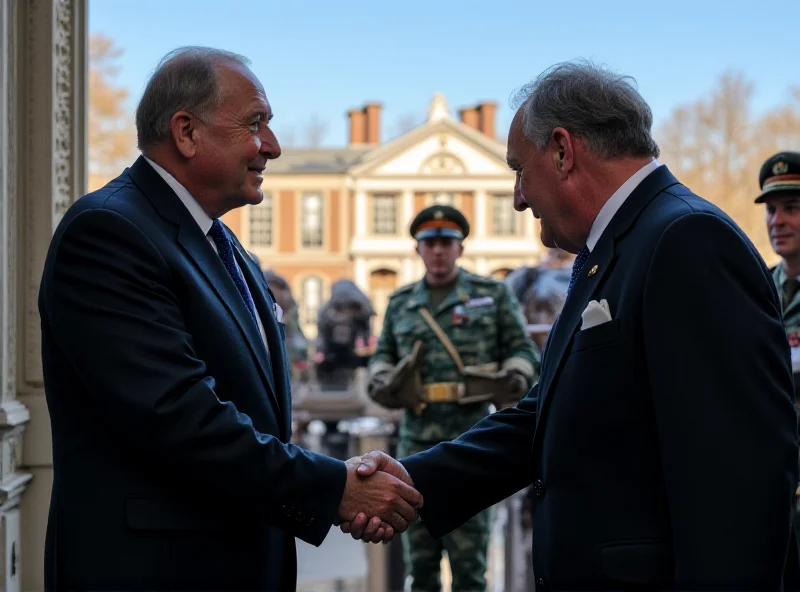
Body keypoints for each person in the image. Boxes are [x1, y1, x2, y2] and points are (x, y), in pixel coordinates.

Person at [345, 60, 800, 590]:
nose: (518, 197)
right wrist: (416, 477)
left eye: (519, 170)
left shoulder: (685, 240)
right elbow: (548, 412)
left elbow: (741, 475)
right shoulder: (615, 248)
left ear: (563, 151)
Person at [38, 46, 421, 592]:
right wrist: (333, 487)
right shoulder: (108, 233)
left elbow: (249, 410)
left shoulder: (223, 244)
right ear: (186, 132)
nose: (273, 146)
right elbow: (179, 416)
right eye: (255, 123)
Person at [366, 204, 539, 591]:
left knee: (470, 569)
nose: (438, 251)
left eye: (446, 242)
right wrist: (385, 380)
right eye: (430, 243)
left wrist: (514, 375)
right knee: (421, 568)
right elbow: (381, 358)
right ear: (418, 250)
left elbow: (523, 349)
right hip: (416, 445)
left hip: (472, 441)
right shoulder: (401, 302)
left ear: (460, 248)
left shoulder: (490, 295)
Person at [756, 150, 800, 555]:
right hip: (774, 489)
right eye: (771, 210)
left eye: (791, 208)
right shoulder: (758, 289)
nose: (777, 221)